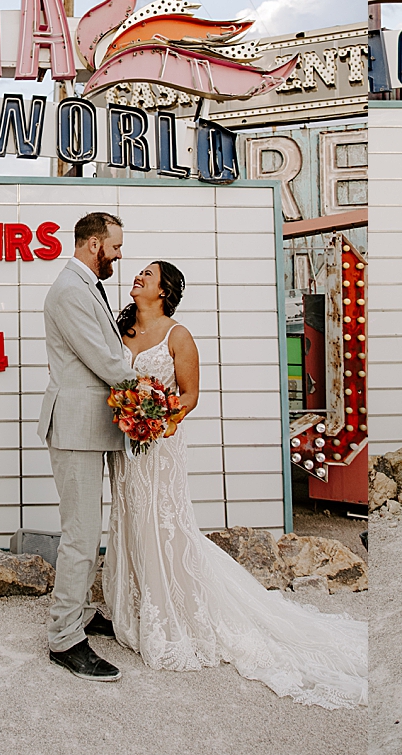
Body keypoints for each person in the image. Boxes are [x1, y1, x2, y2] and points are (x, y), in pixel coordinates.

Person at [104, 259, 368, 708]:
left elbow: (189, 395)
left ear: (165, 290)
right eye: (139, 273)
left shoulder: (178, 336)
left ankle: (175, 612)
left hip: (160, 446)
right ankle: (135, 608)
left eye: (148, 274)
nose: (138, 277)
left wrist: (159, 421)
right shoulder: (120, 329)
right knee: (129, 518)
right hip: (125, 449)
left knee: (164, 522)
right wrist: (129, 415)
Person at [38, 211, 137, 682]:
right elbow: (102, 357)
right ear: (94, 244)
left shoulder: (86, 286)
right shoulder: (70, 290)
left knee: (88, 530)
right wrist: (149, 387)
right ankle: (64, 639)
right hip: (76, 426)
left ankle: (76, 613)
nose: (120, 255)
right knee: (80, 533)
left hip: (93, 424)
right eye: (115, 247)